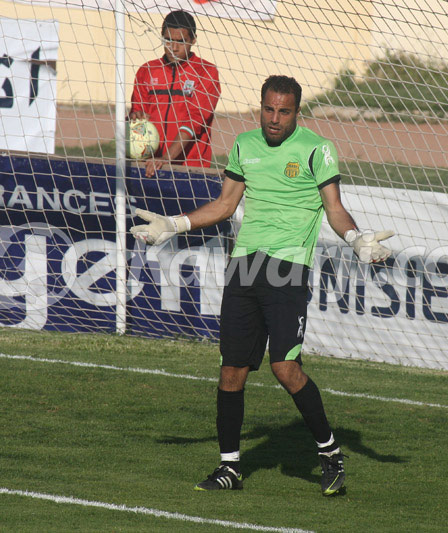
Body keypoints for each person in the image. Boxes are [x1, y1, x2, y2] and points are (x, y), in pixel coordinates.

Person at [131, 75, 394, 496]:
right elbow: (224, 205)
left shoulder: (317, 149)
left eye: (284, 111)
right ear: (261, 107)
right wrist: (174, 225)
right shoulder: (245, 145)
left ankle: (329, 452)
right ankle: (229, 468)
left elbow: (334, 209)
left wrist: (355, 239)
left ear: (296, 112)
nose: (274, 119)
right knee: (231, 370)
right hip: (244, 269)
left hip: (287, 271)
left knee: (285, 368)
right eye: (268, 110)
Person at [129, 10, 221, 178]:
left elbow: (195, 120)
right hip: (150, 165)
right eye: (168, 40)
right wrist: (136, 117)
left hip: (191, 168)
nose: (174, 47)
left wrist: (167, 157)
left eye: (181, 41)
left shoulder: (206, 72)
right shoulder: (147, 70)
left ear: (193, 40)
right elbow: (137, 112)